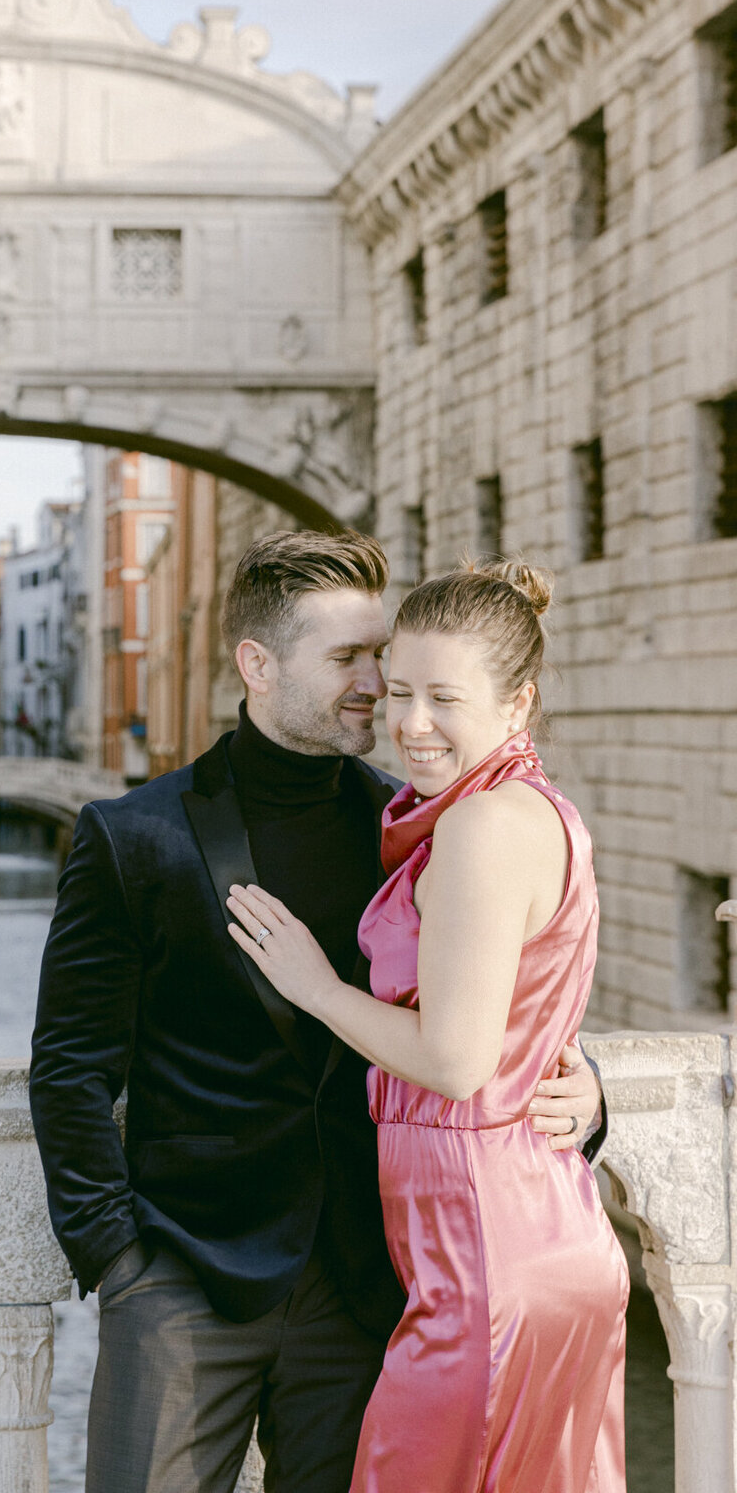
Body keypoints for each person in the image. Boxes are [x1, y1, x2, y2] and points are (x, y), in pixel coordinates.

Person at [30, 530, 604, 1493]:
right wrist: (121, 1262)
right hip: (185, 1280)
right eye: (348, 658)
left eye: (381, 655)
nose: (378, 685)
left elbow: (498, 1007)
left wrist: (588, 1090)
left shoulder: (413, 827)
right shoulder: (131, 838)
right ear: (257, 664)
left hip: (367, 1288)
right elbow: (70, 1068)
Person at [228, 557, 627, 1493]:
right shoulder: (537, 812)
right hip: (524, 1233)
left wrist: (317, 987)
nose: (410, 723)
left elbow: (453, 1060)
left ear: (518, 703)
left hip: (486, 1261)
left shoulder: (483, 826)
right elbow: (525, 1006)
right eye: (398, 690)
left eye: (445, 698)